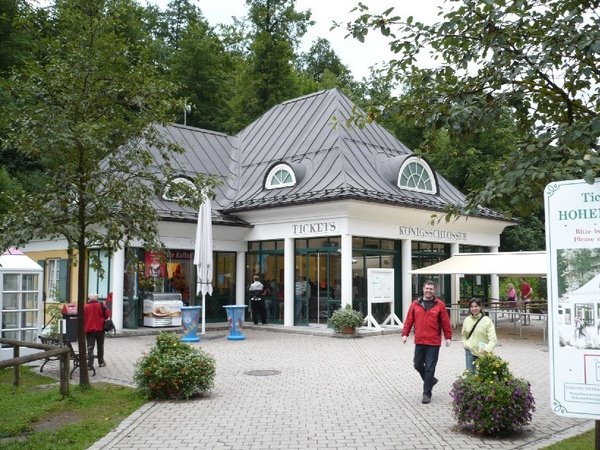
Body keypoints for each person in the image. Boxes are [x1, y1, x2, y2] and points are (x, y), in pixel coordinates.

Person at [402, 280, 452, 404]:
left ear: (434, 290)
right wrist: (405, 334)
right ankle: (431, 380)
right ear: (423, 289)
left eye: (431, 289)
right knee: (417, 364)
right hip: (419, 340)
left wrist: (448, 337)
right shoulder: (415, 304)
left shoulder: (439, 304)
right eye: (427, 288)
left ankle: (427, 393)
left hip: (433, 341)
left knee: (430, 368)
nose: (428, 290)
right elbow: (409, 320)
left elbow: (445, 321)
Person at [461, 298, 497, 372]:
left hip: (483, 351)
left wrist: (487, 349)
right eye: (472, 307)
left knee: (483, 374)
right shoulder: (467, 320)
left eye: (476, 306)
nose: (474, 308)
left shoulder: (487, 321)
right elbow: (463, 334)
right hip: (470, 350)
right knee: (470, 374)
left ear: (480, 307)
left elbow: (493, 339)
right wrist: (465, 345)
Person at [83, 293, 111, 368]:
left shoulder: (85, 307)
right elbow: (108, 314)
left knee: (90, 347)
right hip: (100, 330)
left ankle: (90, 364)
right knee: (100, 346)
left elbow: (82, 318)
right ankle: (101, 362)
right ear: (96, 298)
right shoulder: (101, 305)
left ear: (89, 299)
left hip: (89, 330)